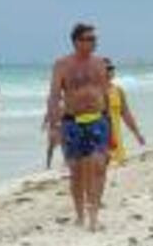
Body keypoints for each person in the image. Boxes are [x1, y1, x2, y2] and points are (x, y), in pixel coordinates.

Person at [45, 23, 112, 231]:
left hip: (97, 120)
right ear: (77, 41)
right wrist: (54, 126)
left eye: (94, 39)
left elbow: (105, 92)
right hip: (72, 121)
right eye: (89, 38)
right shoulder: (62, 65)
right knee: (77, 171)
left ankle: (94, 214)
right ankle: (80, 214)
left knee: (99, 165)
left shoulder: (100, 63)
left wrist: (108, 120)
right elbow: (55, 96)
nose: (94, 42)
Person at [104, 59, 145, 166]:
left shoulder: (118, 90)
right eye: (106, 69)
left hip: (117, 143)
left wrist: (137, 134)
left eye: (111, 68)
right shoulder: (92, 92)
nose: (109, 72)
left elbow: (126, 114)